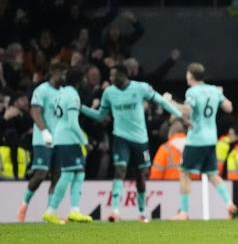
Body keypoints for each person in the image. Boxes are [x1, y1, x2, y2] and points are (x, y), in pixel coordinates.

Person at [80, 64, 183, 222]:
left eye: (114, 75)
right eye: (110, 75)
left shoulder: (140, 88)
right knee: (119, 171)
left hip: (140, 140)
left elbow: (161, 101)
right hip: (120, 138)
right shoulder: (109, 93)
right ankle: (115, 210)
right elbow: (101, 116)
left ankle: (142, 212)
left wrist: (179, 115)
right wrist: (81, 108)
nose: (111, 78)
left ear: (123, 74)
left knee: (141, 175)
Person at [169, 63, 237, 220]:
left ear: (191, 75)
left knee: (184, 173)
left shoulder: (192, 92)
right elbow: (229, 107)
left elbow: (186, 110)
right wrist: (219, 98)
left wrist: (170, 101)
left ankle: (184, 212)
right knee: (212, 174)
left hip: (196, 139)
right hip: (211, 139)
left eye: (187, 73)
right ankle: (229, 203)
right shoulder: (214, 90)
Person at [42, 67, 93, 224]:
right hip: (68, 139)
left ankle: (74, 211)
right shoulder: (73, 95)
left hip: (61, 136)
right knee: (68, 174)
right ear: (78, 80)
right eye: (84, 78)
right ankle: (50, 211)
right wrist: (85, 141)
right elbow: (72, 124)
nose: (85, 81)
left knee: (79, 173)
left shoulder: (61, 93)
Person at [17, 63, 66, 222]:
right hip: (42, 139)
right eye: (62, 73)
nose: (64, 76)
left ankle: (49, 214)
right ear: (53, 72)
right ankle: (24, 205)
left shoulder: (64, 92)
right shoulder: (42, 90)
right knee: (40, 175)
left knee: (57, 176)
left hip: (59, 140)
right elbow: (35, 111)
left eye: (65, 73)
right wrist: (44, 131)